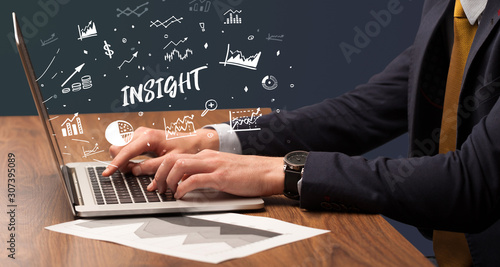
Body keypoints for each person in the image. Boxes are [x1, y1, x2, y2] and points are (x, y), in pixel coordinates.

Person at [103, 0, 500, 265]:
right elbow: (357, 113)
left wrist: (285, 172)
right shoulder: (455, 7)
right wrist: (208, 140)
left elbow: (470, 183)